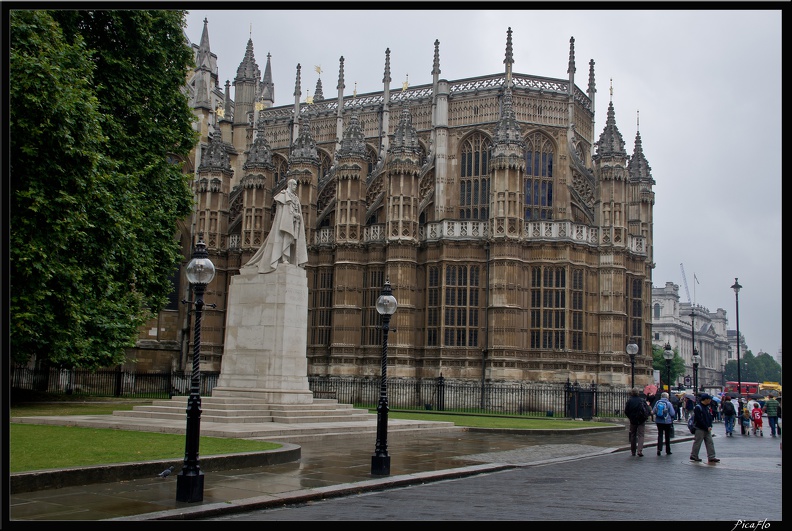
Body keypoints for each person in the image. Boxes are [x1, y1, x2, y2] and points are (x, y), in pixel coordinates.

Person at [242, 178, 308, 274]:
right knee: (285, 239)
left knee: (290, 241)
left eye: (296, 186)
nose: (295, 187)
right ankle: (284, 258)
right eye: (294, 185)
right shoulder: (283, 195)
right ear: (289, 185)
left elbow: (294, 210)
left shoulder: (295, 197)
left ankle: (288, 259)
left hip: (293, 223)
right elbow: (284, 212)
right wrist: (293, 215)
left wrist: (297, 216)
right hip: (285, 224)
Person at [690, 393, 719, 463]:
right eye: (709, 399)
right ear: (705, 399)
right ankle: (694, 455)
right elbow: (699, 419)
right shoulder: (698, 407)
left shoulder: (707, 407)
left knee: (710, 442)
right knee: (698, 442)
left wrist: (710, 425)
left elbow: (709, 417)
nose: (710, 401)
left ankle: (711, 456)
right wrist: (706, 427)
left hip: (707, 428)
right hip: (700, 428)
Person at [624, 388, 650, 457]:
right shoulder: (642, 400)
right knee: (641, 435)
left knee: (633, 435)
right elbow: (647, 410)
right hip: (641, 419)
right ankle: (639, 450)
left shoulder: (629, 401)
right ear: (638, 393)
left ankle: (633, 451)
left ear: (632, 393)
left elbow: (626, 411)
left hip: (633, 420)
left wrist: (630, 417)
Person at [652, 392, 675, 456]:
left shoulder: (657, 402)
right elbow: (672, 413)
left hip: (659, 421)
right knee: (667, 436)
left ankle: (659, 449)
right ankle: (668, 450)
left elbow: (653, 411)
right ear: (667, 397)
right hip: (667, 421)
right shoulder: (668, 403)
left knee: (660, 435)